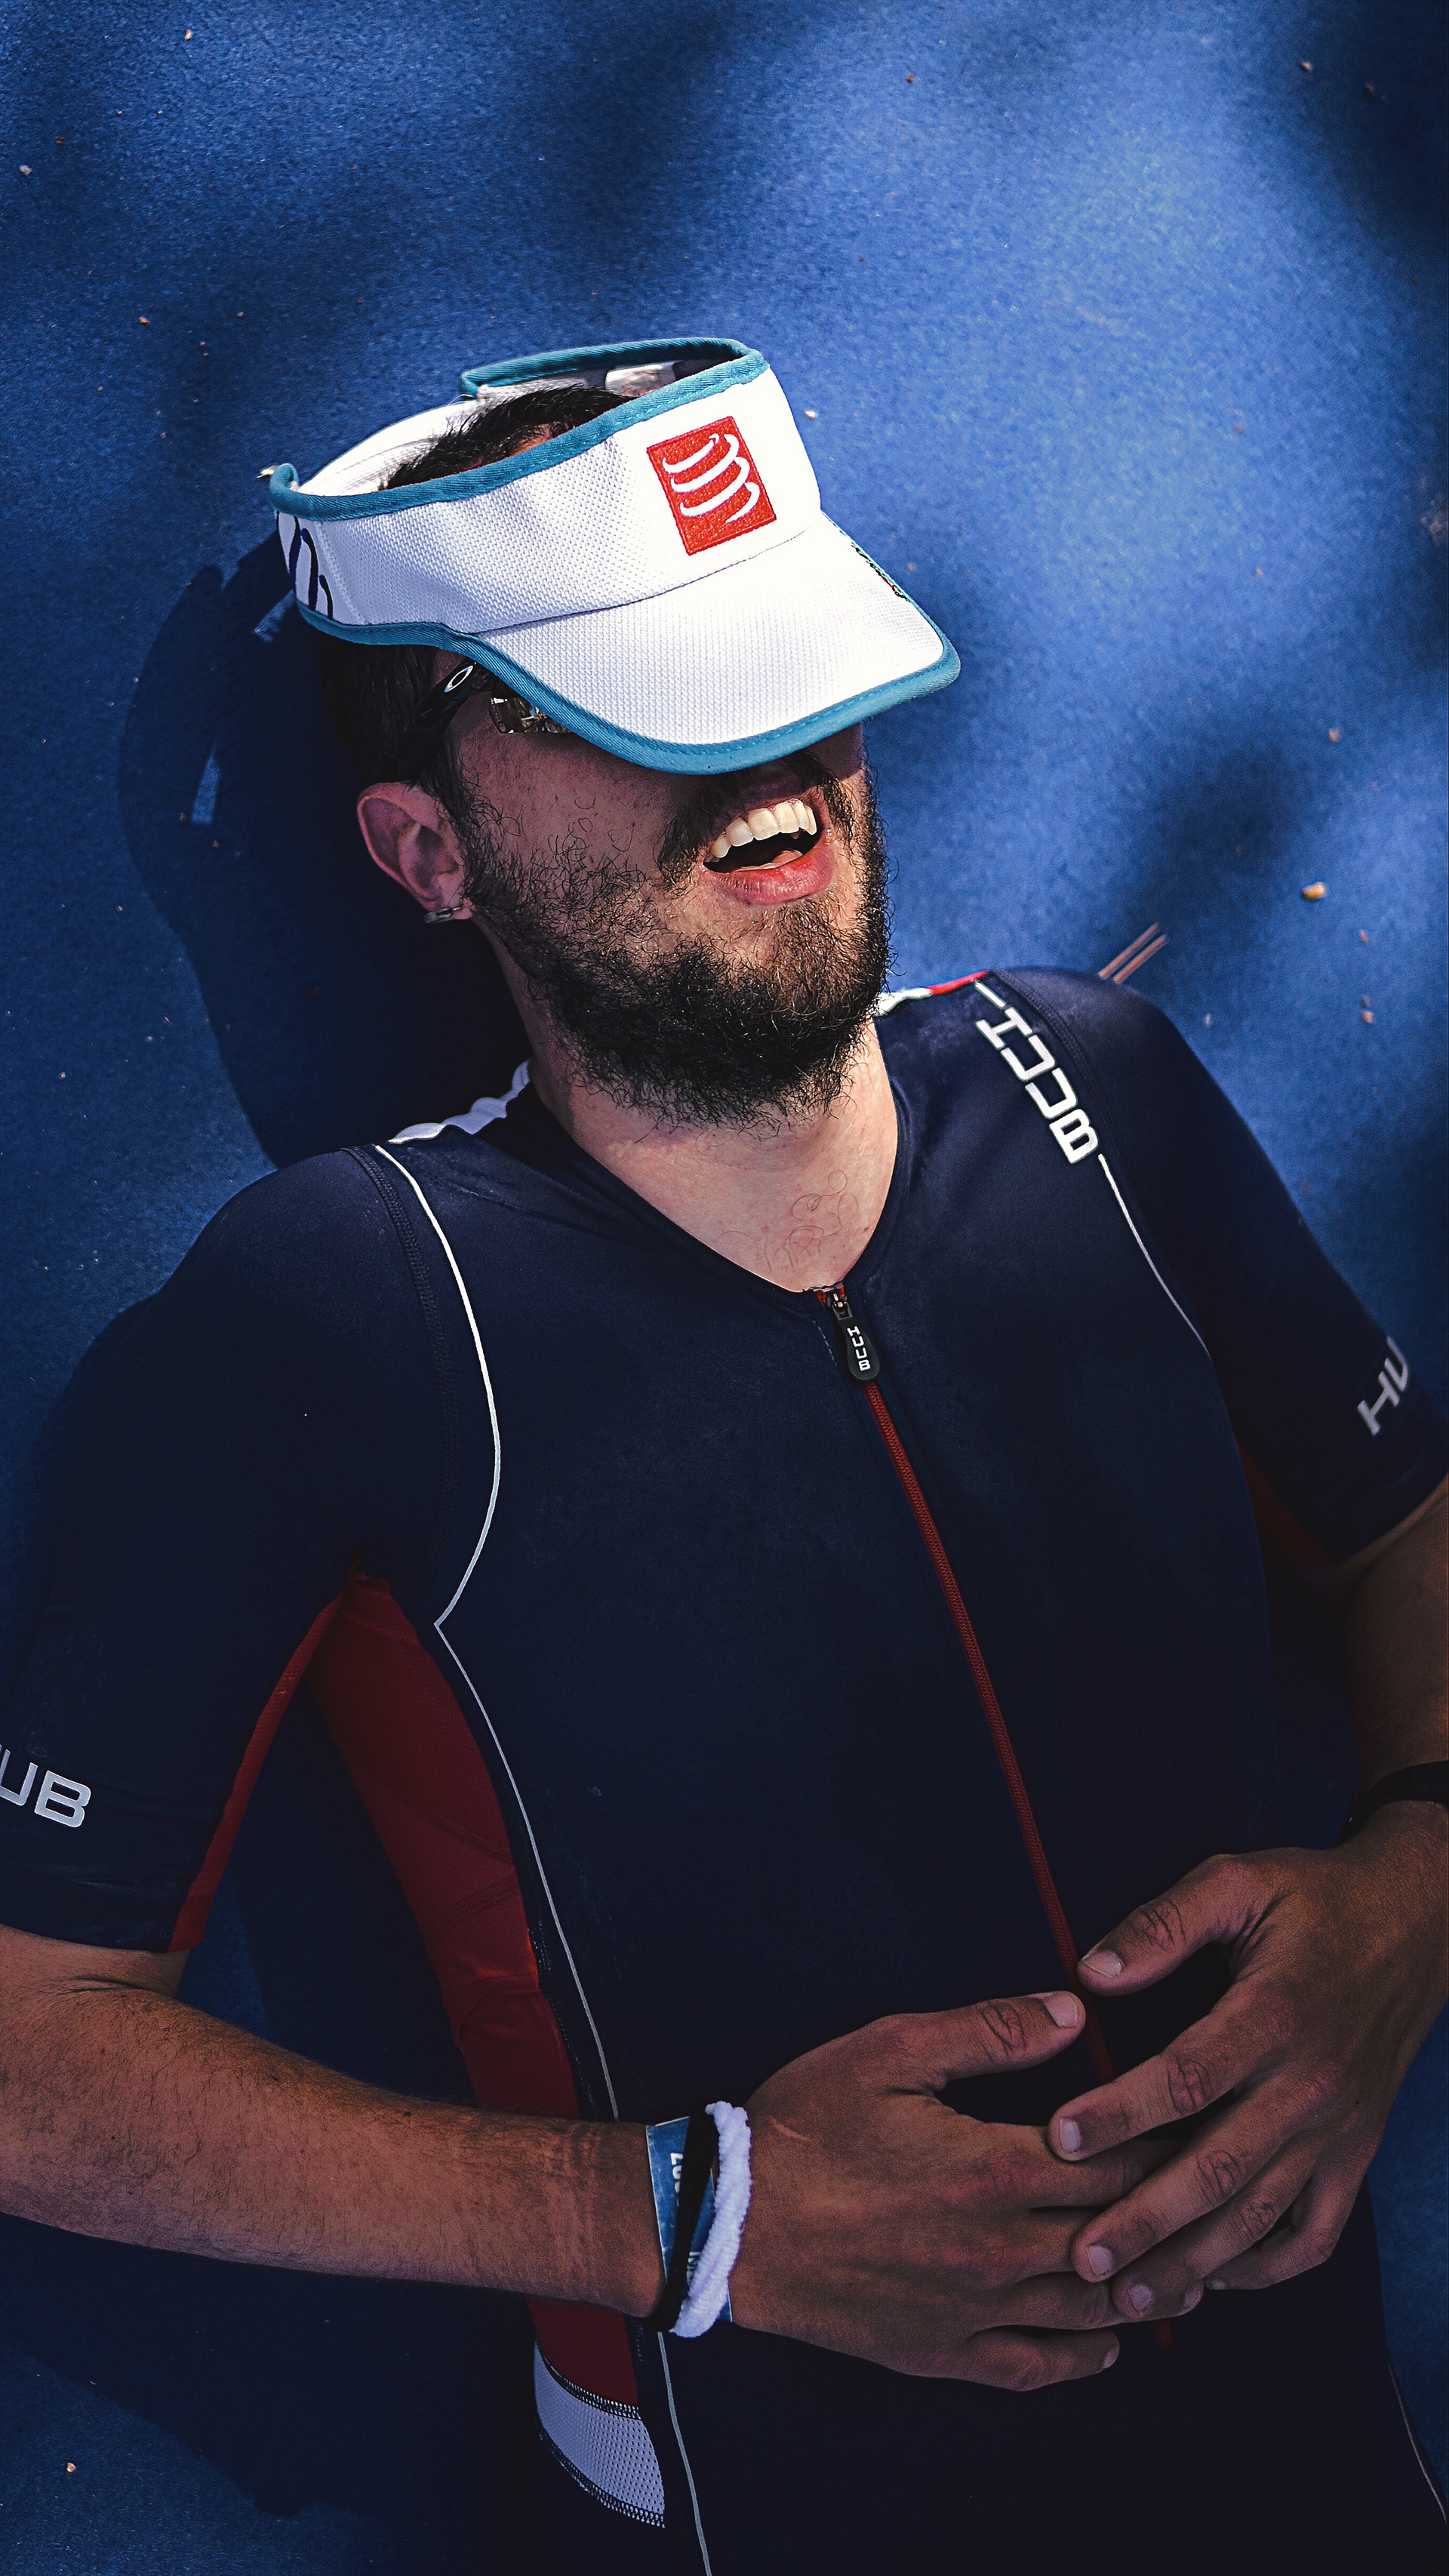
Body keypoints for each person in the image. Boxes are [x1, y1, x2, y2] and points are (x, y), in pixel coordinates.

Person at [1, 337, 1444, 2575]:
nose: (764, 760)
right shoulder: (335, 1308)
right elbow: (32, 2056)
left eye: (780, 670)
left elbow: (1410, 1530)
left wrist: (1414, 1892)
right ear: (427, 850)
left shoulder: (1095, 1087)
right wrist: (685, 2218)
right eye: (639, 711)